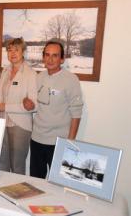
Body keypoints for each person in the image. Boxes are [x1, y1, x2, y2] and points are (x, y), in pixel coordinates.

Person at [29, 41, 83, 179]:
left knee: (58, 184)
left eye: (55, 55)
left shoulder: (71, 79)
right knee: (36, 182)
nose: (50, 59)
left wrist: (70, 142)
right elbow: (36, 104)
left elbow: (76, 112)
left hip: (59, 142)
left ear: (62, 59)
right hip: (37, 139)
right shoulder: (39, 77)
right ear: (43, 57)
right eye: (47, 55)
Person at [0, 38, 37, 174]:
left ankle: (17, 195)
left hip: (20, 125)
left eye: (16, 50)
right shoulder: (5, 71)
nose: (13, 53)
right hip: (2, 122)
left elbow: (34, 105)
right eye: (9, 50)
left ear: (23, 52)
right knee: (2, 163)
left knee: (17, 166)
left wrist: (6, 107)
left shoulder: (30, 74)